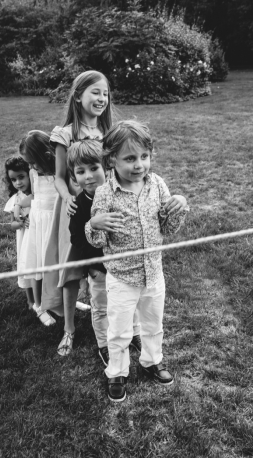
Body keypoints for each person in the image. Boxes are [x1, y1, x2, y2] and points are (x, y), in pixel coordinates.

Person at [86, 120, 189, 402]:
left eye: (144, 157)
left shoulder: (157, 185)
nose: (139, 165)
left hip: (154, 273)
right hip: (121, 277)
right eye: (130, 158)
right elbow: (96, 241)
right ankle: (117, 372)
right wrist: (95, 223)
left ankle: (152, 360)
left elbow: (168, 229)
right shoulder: (105, 193)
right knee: (118, 330)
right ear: (111, 160)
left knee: (153, 324)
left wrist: (177, 204)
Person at [44, 70, 119, 356]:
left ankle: (112, 315)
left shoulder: (110, 133)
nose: (101, 98)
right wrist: (68, 197)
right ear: (78, 96)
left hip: (106, 208)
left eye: (105, 93)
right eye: (95, 92)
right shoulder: (65, 134)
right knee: (73, 271)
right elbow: (60, 176)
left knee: (107, 266)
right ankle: (69, 330)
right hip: (75, 209)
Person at [67, 139, 142, 364]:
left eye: (94, 168)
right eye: (81, 171)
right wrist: (92, 268)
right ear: (74, 176)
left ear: (106, 167)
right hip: (100, 271)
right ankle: (104, 345)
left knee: (131, 302)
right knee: (101, 308)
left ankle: (135, 333)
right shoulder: (79, 206)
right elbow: (77, 240)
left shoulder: (119, 195)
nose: (88, 176)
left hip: (125, 267)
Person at [18, 130, 60, 327]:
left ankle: (56, 301)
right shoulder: (34, 173)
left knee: (53, 265)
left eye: (32, 162)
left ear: (47, 156)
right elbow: (34, 196)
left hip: (54, 224)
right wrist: (19, 206)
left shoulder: (60, 171)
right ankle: (38, 305)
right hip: (38, 224)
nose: (30, 167)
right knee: (36, 266)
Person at [2, 156, 34, 309]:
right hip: (24, 238)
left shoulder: (38, 194)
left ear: (30, 175)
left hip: (38, 237)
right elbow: (12, 224)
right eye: (13, 180)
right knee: (26, 266)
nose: (18, 183)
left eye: (21, 177)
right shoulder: (16, 199)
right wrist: (21, 222)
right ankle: (30, 300)